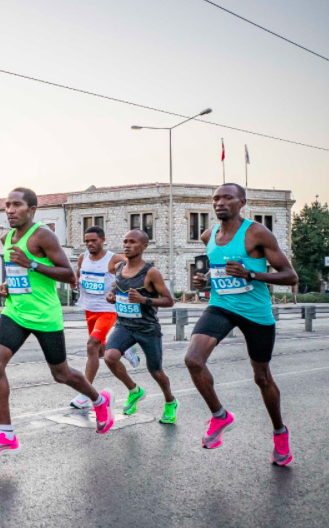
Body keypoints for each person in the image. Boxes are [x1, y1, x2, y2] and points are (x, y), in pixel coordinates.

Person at [0, 188, 113, 460]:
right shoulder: (6, 238)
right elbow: (17, 273)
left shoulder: (43, 235)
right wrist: (8, 285)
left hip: (44, 316)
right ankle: (6, 434)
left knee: (61, 374)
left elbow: (67, 275)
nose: (10, 210)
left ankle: (99, 401)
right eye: (7, 205)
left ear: (32, 209)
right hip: (15, 312)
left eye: (16, 205)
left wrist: (31, 264)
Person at [185, 184, 298, 465]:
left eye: (227, 198)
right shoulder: (208, 235)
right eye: (216, 198)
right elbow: (218, 268)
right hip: (221, 306)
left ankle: (279, 432)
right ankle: (220, 416)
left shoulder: (256, 233)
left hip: (255, 313)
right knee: (193, 360)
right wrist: (206, 280)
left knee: (262, 378)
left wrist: (251, 274)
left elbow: (290, 276)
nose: (220, 203)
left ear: (241, 202)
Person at [102, 230, 178, 422]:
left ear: (143, 246)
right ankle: (134, 390)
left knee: (156, 371)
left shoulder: (151, 272)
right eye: (125, 241)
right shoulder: (119, 267)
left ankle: (170, 402)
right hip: (124, 325)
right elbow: (118, 286)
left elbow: (169, 300)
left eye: (132, 242)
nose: (127, 245)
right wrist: (112, 295)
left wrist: (144, 299)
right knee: (110, 357)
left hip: (147, 328)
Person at [69, 226, 136, 409]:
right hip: (89, 309)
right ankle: (123, 350)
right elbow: (78, 274)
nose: (90, 244)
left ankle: (85, 393)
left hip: (107, 310)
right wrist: (75, 283)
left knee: (91, 345)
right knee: (99, 352)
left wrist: (118, 286)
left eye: (94, 240)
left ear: (102, 240)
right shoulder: (83, 257)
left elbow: (130, 273)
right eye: (87, 241)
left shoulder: (113, 259)